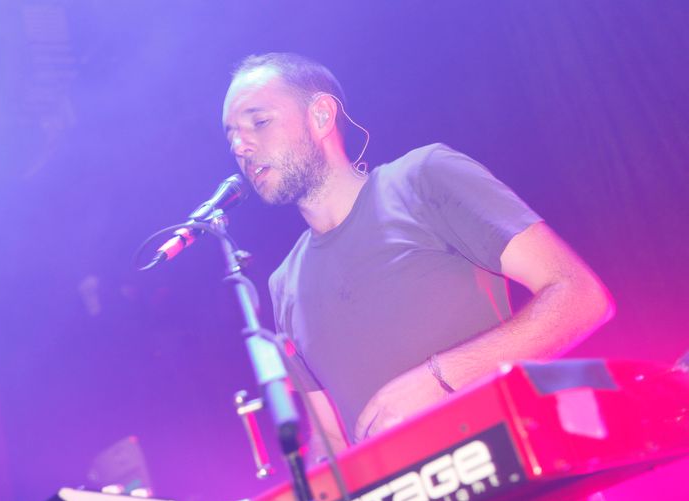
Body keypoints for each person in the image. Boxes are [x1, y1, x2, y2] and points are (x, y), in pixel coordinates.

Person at [221, 52, 615, 461]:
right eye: (231, 137)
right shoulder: (283, 284)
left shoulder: (423, 178)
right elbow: (330, 438)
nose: (240, 147)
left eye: (259, 122)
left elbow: (581, 296)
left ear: (320, 116)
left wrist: (439, 378)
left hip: (515, 465)